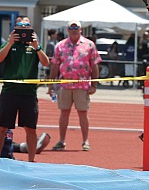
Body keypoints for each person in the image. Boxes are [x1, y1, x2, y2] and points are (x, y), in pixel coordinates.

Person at [0, 16, 50, 162]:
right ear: (15, 28)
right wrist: (10, 43)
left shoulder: (34, 46)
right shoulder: (8, 44)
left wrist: (37, 46)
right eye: (20, 26)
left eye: (26, 26)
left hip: (28, 93)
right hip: (9, 91)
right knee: (2, 128)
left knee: (30, 129)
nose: (23, 29)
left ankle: (31, 161)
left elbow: (46, 63)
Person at [48, 20, 101, 152]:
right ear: (67, 30)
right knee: (64, 112)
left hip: (82, 85)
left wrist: (94, 84)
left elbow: (94, 65)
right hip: (64, 84)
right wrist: (50, 84)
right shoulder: (60, 46)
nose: (74, 30)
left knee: (83, 113)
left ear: (80, 29)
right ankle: (61, 141)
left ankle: (85, 141)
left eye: (76, 27)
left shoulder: (89, 44)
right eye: (71, 28)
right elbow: (55, 65)